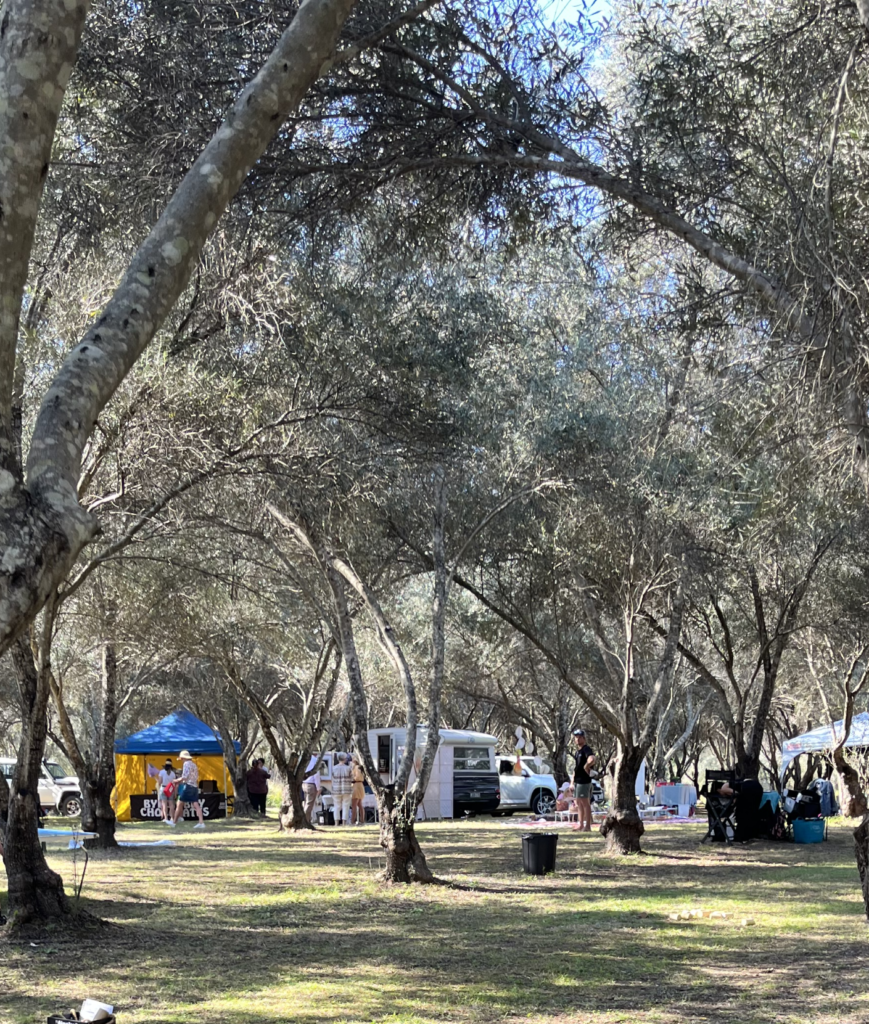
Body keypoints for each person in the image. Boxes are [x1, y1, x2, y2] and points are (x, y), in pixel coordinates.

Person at [719, 776, 763, 842]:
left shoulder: (728, 784)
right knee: (752, 812)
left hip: (747, 787)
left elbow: (723, 789)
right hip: (757, 787)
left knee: (743, 813)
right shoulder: (738, 782)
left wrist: (736, 794)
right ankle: (750, 834)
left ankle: (742, 835)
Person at [171, 750, 206, 828]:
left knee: (179, 803)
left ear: (183, 758)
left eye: (181, 759)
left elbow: (185, 776)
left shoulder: (186, 764)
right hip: (195, 786)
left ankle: (174, 822)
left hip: (188, 786)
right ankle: (201, 822)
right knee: (196, 804)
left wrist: (176, 780)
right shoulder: (194, 765)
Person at [571, 729, 596, 832]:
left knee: (586, 803)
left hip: (584, 781)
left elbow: (592, 758)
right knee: (579, 804)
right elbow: (576, 768)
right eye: (576, 737)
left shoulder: (586, 749)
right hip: (577, 781)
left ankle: (588, 826)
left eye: (579, 737)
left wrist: (587, 765)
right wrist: (572, 782)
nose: (577, 739)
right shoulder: (577, 752)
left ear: (584, 738)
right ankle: (581, 825)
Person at [331, 752, 353, 826]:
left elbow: (332, 779)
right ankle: (344, 822)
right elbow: (352, 778)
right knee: (345, 806)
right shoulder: (348, 768)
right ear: (344, 759)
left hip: (336, 789)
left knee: (336, 806)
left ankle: (336, 823)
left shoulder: (334, 768)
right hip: (346, 789)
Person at [157, 759, 177, 823]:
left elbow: (159, 782)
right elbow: (174, 783)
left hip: (163, 788)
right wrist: (174, 792)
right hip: (170, 789)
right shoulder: (173, 773)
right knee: (171, 804)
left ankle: (166, 818)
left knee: (164, 804)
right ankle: (172, 818)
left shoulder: (161, 772)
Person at [302, 756, 321, 824]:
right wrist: (318, 787)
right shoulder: (315, 760)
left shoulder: (304, 759)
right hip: (311, 784)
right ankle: (306, 820)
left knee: (306, 803)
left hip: (304, 783)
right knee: (309, 804)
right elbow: (316, 775)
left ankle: (308, 819)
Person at [350, 757, 366, 826]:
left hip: (356, 785)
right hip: (361, 785)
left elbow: (356, 777)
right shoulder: (361, 767)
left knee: (354, 805)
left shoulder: (356, 767)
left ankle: (352, 820)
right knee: (359, 804)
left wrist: (352, 778)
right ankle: (362, 820)